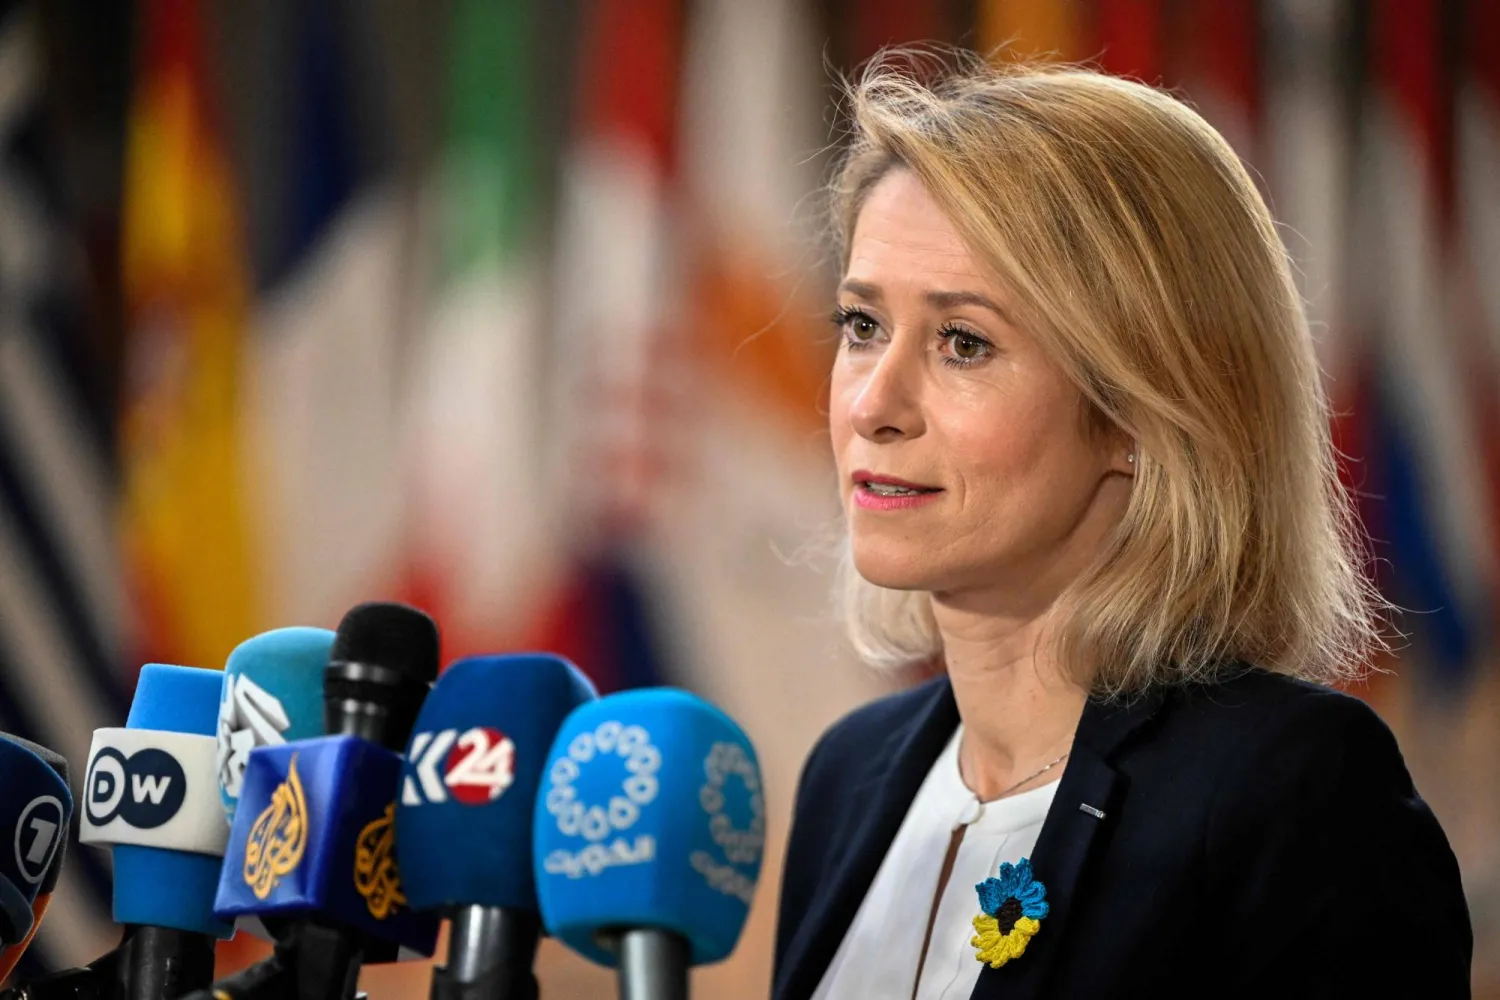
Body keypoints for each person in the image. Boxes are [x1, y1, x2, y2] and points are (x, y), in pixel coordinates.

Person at [772, 53, 1471, 1000]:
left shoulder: (1290, 792)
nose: (872, 405)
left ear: (1138, 412)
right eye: (861, 326)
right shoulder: (847, 777)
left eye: (963, 342)